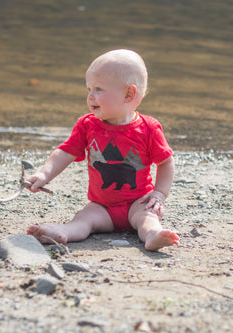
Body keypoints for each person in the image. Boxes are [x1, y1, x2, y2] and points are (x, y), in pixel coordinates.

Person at [26, 49, 179, 251]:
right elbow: (64, 152)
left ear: (129, 94)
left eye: (98, 89)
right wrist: (43, 174)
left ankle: (153, 235)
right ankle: (63, 232)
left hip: (138, 203)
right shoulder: (87, 125)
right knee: (84, 219)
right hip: (102, 208)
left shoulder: (149, 128)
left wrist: (159, 193)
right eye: (88, 89)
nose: (90, 96)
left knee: (148, 219)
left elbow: (166, 162)